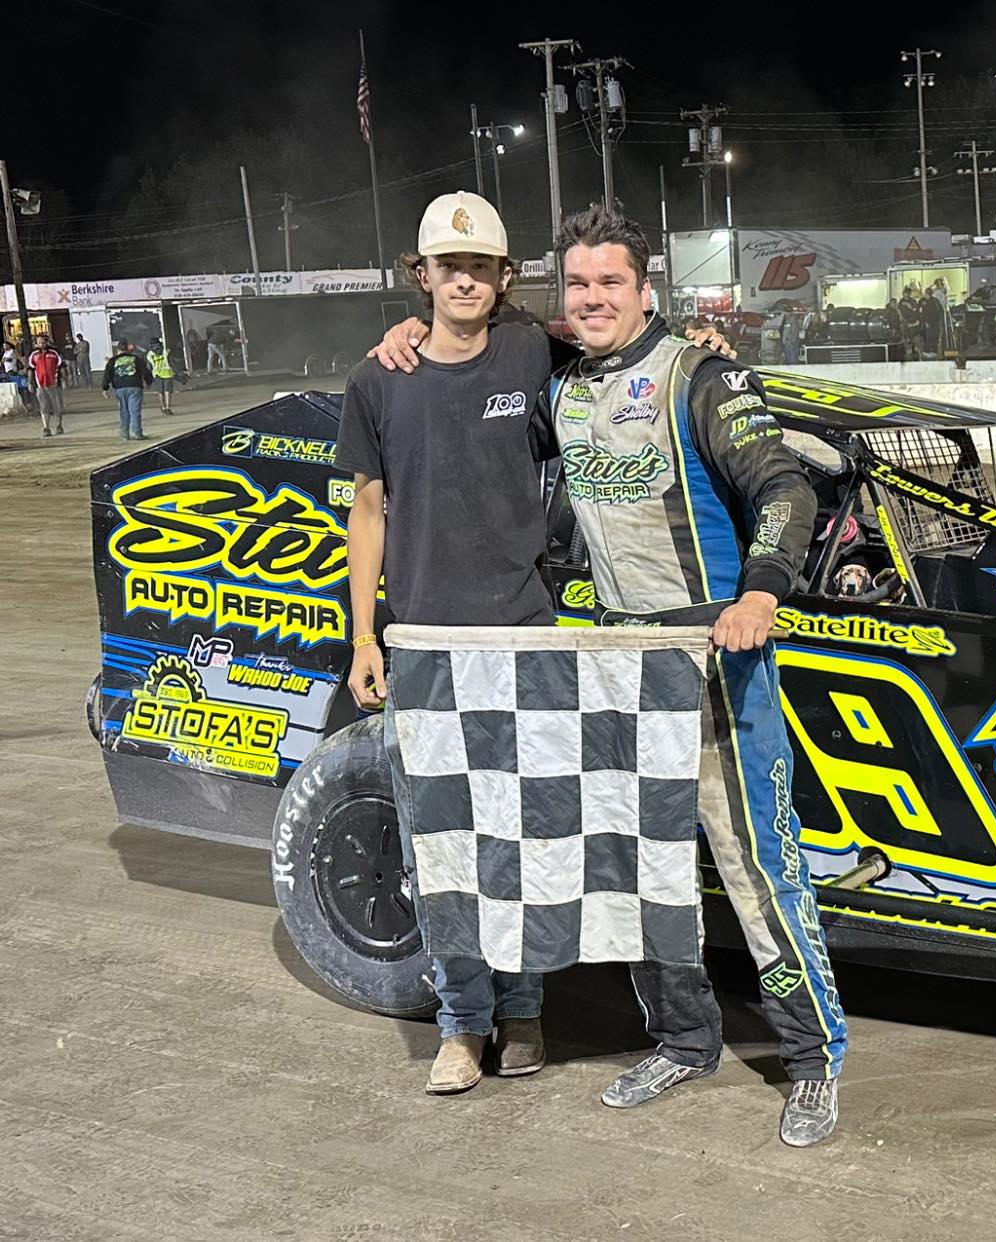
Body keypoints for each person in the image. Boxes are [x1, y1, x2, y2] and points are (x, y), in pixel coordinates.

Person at [540, 206, 846, 1147]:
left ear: (645, 289)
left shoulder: (700, 375)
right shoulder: (564, 386)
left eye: (610, 283)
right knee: (641, 874)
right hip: (620, 671)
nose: (593, 298)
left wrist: (759, 594)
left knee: (759, 873)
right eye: (579, 284)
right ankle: (682, 1038)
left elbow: (788, 489)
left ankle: (811, 1059)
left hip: (719, 667)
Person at [334, 192, 574, 1098]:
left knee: (524, 841)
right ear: (421, 275)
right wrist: (366, 638)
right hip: (424, 646)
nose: (464, 277)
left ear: (505, 278)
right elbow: (366, 512)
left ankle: (523, 1012)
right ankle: (462, 1024)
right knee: (442, 846)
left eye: (480, 265)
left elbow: (620, 348)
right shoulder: (377, 380)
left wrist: (698, 347)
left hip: (523, 638)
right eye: (447, 265)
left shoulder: (529, 351)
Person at [102, 339, 153, 440]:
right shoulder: (136, 359)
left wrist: (105, 388)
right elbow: (145, 371)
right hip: (135, 386)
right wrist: (148, 382)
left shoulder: (113, 360)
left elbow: (107, 374)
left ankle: (125, 434)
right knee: (135, 411)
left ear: (118, 350)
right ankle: (137, 433)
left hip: (120, 388)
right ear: (128, 349)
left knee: (124, 411)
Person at [27, 334, 65, 436]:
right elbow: (30, 369)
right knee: (44, 407)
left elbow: (61, 366)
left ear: (47, 342)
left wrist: (65, 379)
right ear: (36, 344)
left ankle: (59, 426)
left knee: (58, 407)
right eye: (40, 343)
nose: (42, 344)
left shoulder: (54, 352)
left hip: (55, 384)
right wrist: (30, 383)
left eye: (43, 342)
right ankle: (46, 428)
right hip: (40, 385)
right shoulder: (33, 354)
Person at [146, 338, 177, 414]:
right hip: (168, 373)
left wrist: (148, 379)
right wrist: (178, 373)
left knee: (160, 391)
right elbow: (172, 363)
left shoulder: (150, 354)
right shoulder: (166, 351)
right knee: (167, 391)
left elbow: (148, 367)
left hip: (157, 375)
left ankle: (163, 407)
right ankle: (168, 407)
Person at [920, 289, 943, 358]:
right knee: (934, 336)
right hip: (935, 321)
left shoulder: (927, 302)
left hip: (931, 322)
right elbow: (940, 310)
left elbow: (926, 313)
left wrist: (926, 321)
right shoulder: (935, 301)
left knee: (929, 336)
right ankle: (933, 351)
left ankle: (930, 351)